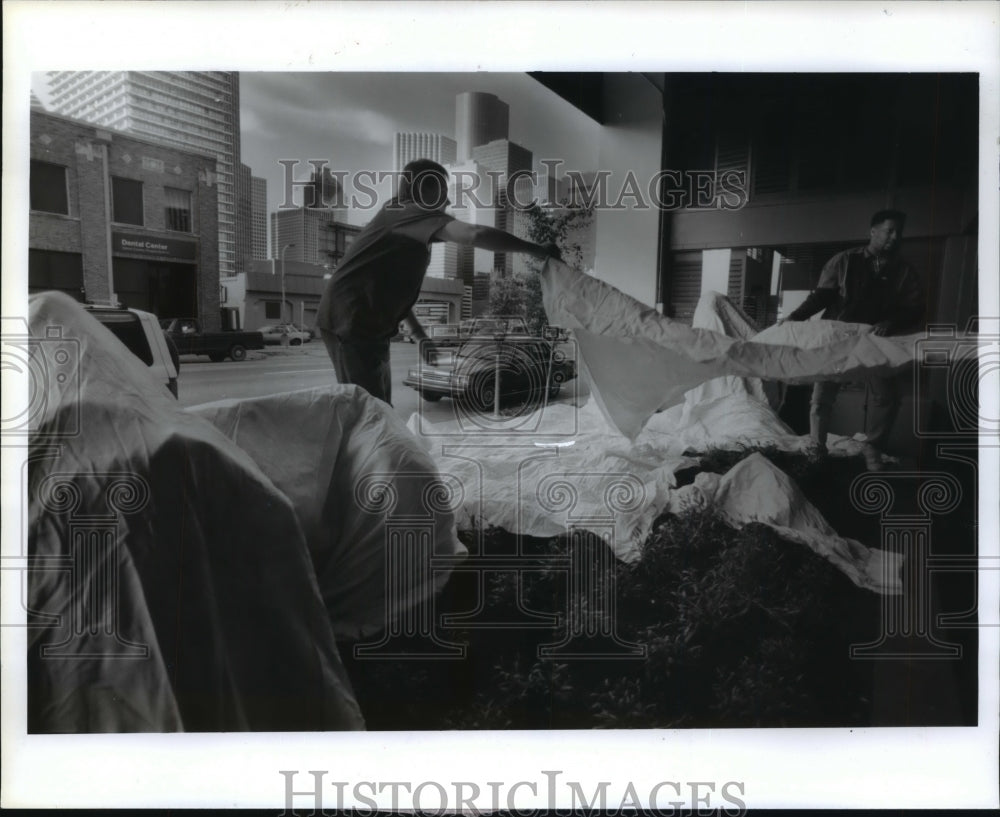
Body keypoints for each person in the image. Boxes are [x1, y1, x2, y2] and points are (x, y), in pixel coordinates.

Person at [316, 159, 560, 404]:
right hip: (350, 319)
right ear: (422, 189)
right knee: (370, 410)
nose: (448, 201)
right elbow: (474, 234)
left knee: (378, 408)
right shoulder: (405, 211)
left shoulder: (401, 222)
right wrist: (537, 249)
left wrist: (420, 336)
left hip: (364, 322)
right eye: (443, 191)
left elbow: (391, 292)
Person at [783, 209, 924, 465]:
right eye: (889, 231)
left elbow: (914, 309)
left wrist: (891, 322)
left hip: (876, 340)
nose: (895, 237)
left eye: (899, 232)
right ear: (873, 231)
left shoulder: (904, 271)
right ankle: (817, 451)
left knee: (887, 398)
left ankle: (873, 448)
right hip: (839, 338)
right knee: (821, 400)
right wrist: (795, 317)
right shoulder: (844, 261)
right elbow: (822, 296)